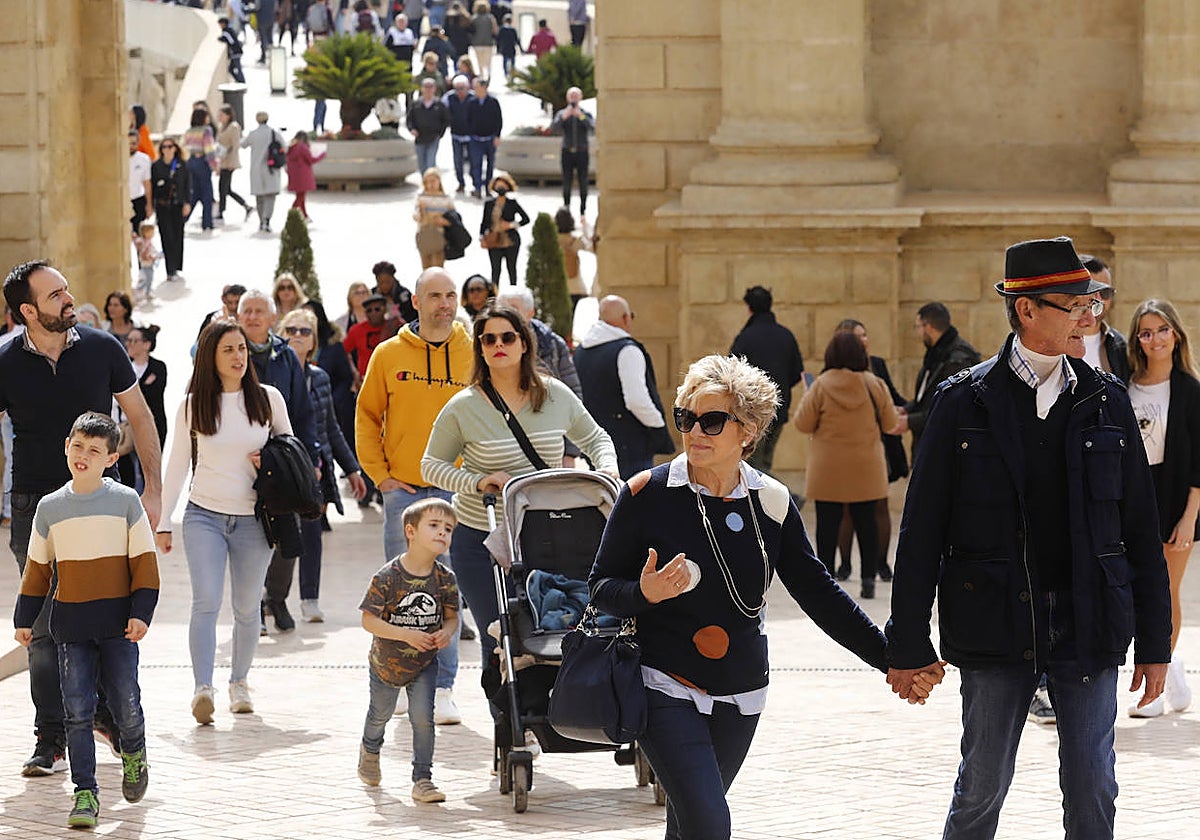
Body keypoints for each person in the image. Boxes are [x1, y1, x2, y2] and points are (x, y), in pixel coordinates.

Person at [886, 236, 1171, 840]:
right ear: (1026, 310)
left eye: (1092, 304)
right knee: (981, 786)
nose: (1089, 317)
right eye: (1076, 305)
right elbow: (921, 530)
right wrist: (907, 640)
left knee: (1093, 787)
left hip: (1089, 623)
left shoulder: (1107, 401)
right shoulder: (962, 402)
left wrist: (1155, 642)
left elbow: (1140, 532)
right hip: (993, 622)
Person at [587, 354, 904, 840]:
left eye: (712, 421)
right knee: (709, 824)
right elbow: (601, 588)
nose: (695, 431)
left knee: (691, 825)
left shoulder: (771, 502)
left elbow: (819, 593)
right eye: (686, 418)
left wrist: (890, 658)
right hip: (663, 683)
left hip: (742, 692)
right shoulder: (645, 494)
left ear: (748, 431)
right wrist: (644, 592)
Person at [0, 259, 163, 777]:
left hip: (104, 505)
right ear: (28, 311)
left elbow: (139, 416)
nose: (68, 299)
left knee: (107, 617)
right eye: (55, 295)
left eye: (66, 289)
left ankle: (106, 716)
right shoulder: (4, 361)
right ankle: (50, 737)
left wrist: (154, 489)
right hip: (35, 507)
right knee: (43, 627)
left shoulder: (102, 347)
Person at [421, 302, 618, 692]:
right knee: (499, 635)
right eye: (489, 339)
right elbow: (430, 466)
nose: (499, 345)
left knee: (546, 630)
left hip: (544, 536)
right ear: (480, 348)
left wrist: (607, 468)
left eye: (508, 337)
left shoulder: (554, 395)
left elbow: (596, 437)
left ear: (524, 344)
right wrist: (478, 481)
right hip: (481, 537)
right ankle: (508, 720)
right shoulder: (463, 407)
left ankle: (547, 708)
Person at [13, 411, 158, 829]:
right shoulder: (50, 508)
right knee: (77, 712)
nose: (83, 455)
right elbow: (37, 569)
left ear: (111, 458)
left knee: (125, 702)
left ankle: (134, 752)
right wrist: (25, 618)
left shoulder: (125, 501)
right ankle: (85, 793)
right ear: (66, 447)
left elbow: (144, 563)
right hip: (71, 627)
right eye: (77, 446)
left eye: (94, 450)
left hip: (118, 626)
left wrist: (141, 613)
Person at [156, 320, 294, 722]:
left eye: (242, 348)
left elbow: (291, 451)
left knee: (248, 608)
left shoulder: (268, 399)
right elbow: (176, 465)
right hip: (204, 516)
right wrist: (164, 520)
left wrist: (269, 459)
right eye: (228, 350)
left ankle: (239, 682)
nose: (238, 356)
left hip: (255, 520)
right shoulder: (192, 405)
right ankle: (203, 687)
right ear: (210, 358)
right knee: (206, 601)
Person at [357, 268, 473, 724]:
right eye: (435, 296)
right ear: (417, 302)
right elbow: (367, 416)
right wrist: (380, 476)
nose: (445, 304)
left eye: (451, 295)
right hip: (403, 491)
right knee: (401, 591)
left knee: (447, 591)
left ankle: (443, 688)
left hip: (455, 490)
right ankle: (404, 681)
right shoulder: (388, 354)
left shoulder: (473, 351)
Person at [356, 497, 458, 801]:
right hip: (386, 665)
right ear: (410, 531)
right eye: (434, 525)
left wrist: (446, 633)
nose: (442, 532)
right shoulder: (387, 577)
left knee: (423, 719)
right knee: (380, 715)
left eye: (448, 528)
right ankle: (370, 750)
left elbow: (452, 617)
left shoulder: (445, 579)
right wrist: (405, 635)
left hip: (425, 664)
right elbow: (368, 620)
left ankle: (423, 779)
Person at [1125, 298, 1197, 717]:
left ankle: (1153, 690)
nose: (1155, 340)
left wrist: (1190, 517)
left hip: (1175, 502)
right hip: (1134, 499)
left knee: (1165, 592)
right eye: (1146, 332)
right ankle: (1171, 670)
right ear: (1138, 340)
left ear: (1176, 334)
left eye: (1162, 330)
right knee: (1137, 592)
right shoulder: (1126, 385)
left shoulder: (1190, 389)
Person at [237, 290, 320, 632]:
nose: (253, 316)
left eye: (260, 311)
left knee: (288, 533)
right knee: (247, 537)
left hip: (281, 459)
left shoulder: (285, 356)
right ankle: (252, 605)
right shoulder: (228, 350)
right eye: (247, 311)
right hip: (240, 460)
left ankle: (277, 598)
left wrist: (310, 460)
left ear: (273, 319)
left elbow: (303, 411)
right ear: (238, 317)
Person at [793, 331, 898, 599]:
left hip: (828, 468)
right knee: (867, 522)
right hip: (866, 467)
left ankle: (826, 580)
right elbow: (890, 423)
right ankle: (868, 580)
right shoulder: (874, 384)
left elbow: (802, 424)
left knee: (827, 524)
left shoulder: (821, 385)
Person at [280, 308, 368, 621]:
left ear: (314, 341)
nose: (297, 336)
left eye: (304, 331)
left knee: (311, 533)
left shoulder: (319, 378)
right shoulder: (272, 376)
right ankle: (271, 599)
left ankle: (309, 599)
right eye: (291, 330)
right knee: (276, 538)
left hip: (314, 469)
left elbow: (331, 427)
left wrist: (352, 468)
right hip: (279, 469)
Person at [833, 318, 907, 583]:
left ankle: (881, 564)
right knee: (846, 509)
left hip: (877, 446)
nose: (864, 341)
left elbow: (894, 399)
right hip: (844, 449)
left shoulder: (877, 366)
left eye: (864, 335)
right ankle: (844, 565)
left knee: (879, 505)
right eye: (857, 336)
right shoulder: (832, 373)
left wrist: (913, 410)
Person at [575, 295, 674, 479]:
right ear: (626, 318)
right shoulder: (627, 350)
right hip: (630, 447)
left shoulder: (581, 351)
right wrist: (658, 425)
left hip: (595, 445)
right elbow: (637, 401)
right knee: (639, 496)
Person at [727, 285, 804, 474]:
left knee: (753, 466)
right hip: (779, 408)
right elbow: (797, 372)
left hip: (751, 411)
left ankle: (779, 492)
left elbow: (731, 373)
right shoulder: (786, 336)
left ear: (749, 308)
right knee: (763, 463)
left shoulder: (745, 338)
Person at [897, 301, 980, 456]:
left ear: (928, 327)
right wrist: (907, 409)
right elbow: (927, 396)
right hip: (930, 442)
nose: (918, 333)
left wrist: (910, 422)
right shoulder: (936, 354)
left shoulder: (957, 360)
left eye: (918, 327)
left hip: (946, 448)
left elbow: (948, 410)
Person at [117, 325, 168, 492]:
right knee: (126, 471)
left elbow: (153, 394)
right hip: (126, 426)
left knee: (148, 470)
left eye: (134, 340)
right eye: (128, 340)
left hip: (152, 425)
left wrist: (134, 391)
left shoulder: (158, 367)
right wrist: (142, 386)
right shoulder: (124, 367)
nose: (129, 344)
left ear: (147, 344)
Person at [1078, 254, 1130, 382]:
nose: (1098, 299)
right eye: (1091, 291)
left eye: (1105, 292)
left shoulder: (1119, 345)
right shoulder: (1055, 341)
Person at [150, 137, 191, 282]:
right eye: (164, 147)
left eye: (170, 146)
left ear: (175, 148)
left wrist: (187, 203)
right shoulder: (156, 166)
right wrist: (151, 205)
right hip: (163, 206)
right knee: (166, 236)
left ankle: (177, 266)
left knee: (178, 236)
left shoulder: (182, 165)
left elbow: (187, 185)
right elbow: (152, 187)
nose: (167, 149)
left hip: (177, 205)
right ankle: (170, 269)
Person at [479, 171, 528, 287]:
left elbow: (526, 219)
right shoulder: (489, 204)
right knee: (495, 270)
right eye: (498, 185)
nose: (500, 187)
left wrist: (511, 225)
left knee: (512, 268)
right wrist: (482, 237)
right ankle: (494, 294)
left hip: (510, 240)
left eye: (503, 185)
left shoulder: (512, 203)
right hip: (494, 240)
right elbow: (484, 222)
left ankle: (514, 291)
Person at [550, 86, 593, 217]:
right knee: (566, 181)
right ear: (567, 98)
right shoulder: (562, 113)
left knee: (583, 181)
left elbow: (591, 126)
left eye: (576, 96)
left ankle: (583, 210)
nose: (574, 98)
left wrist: (580, 116)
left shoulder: (585, 113)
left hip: (582, 151)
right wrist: (565, 117)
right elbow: (554, 128)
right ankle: (566, 208)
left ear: (581, 98)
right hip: (567, 151)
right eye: (571, 96)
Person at [241, 111, 285, 233]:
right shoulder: (274, 133)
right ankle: (267, 220)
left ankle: (261, 221)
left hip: (257, 170)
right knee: (270, 196)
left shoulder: (253, 134)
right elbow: (284, 147)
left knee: (259, 197)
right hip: (271, 169)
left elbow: (243, 144)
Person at [181, 107, 219, 233]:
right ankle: (207, 223)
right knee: (207, 193)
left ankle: (183, 219)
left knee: (194, 192)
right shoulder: (206, 131)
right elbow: (209, 149)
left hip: (191, 161)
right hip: (202, 162)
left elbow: (183, 146)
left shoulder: (189, 131)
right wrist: (215, 165)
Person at [215, 105, 253, 225]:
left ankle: (221, 211)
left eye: (222, 115)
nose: (219, 117)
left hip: (229, 162)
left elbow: (235, 146)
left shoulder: (233, 127)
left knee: (223, 188)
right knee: (226, 189)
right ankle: (245, 206)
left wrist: (232, 162)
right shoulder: (222, 127)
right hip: (223, 160)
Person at [466, 77, 502, 198]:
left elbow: (498, 120)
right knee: (476, 165)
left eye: (477, 87)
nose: (475, 90)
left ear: (484, 88)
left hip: (490, 139)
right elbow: (467, 119)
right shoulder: (471, 102)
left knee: (490, 164)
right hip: (475, 139)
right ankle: (477, 188)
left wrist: (497, 136)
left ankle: (488, 188)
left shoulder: (493, 102)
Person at [555, 207, 594, 315]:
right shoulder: (575, 241)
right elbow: (591, 247)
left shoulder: (552, 240)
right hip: (575, 286)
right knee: (571, 316)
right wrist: (585, 228)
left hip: (557, 285)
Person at [344, 293, 393, 379]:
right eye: (369, 310)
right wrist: (354, 371)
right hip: (365, 379)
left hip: (390, 377)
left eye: (377, 309)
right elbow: (343, 351)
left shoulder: (393, 327)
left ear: (384, 309)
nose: (373, 313)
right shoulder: (356, 330)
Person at [414, 169, 455, 269]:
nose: (430, 184)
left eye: (433, 181)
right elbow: (416, 216)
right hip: (424, 235)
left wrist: (445, 221)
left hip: (440, 237)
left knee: (438, 269)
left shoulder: (446, 198)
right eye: (427, 182)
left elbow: (455, 218)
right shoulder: (421, 197)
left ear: (439, 181)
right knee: (426, 269)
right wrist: (421, 211)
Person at [408, 79, 451, 176]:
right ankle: (425, 182)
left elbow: (445, 120)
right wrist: (412, 129)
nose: (428, 89)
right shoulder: (416, 104)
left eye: (430, 87)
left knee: (430, 163)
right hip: (420, 138)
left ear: (434, 89)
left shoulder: (439, 104)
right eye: (426, 87)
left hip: (433, 138)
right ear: (422, 89)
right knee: (421, 164)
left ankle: (431, 182)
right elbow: (410, 119)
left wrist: (440, 134)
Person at [285, 131, 325, 221]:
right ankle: (291, 215)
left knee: (300, 196)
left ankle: (305, 216)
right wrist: (322, 156)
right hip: (303, 175)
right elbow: (311, 159)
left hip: (294, 175)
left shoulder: (292, 147)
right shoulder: (303, 147)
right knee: (300, 197)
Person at [443, 75, 473, 194]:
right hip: (456, 134)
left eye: (462, 88)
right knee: (458, 161)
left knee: (473, 160)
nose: (460, 91)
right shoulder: (448, 98)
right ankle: (461, 183)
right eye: (457, 88)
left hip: (471, 135)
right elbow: (443, 113)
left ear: (467, 87)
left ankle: (475, 183)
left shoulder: (473, 97)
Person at [372, 260, 418, 325]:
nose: (384, 286)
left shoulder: (404, 294)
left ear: (393, 278)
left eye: (387, 282)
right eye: (381, 282)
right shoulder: (372, 294)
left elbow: (412, 317)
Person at [128, 131, 152, 235]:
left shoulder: (144, 159)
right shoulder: (117, 159)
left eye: (133, 143)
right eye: (128, 143)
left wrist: (149, 205)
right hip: (122, 200)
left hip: (138, 200)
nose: (131, 146)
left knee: (139, 236)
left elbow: (147, 183)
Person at [467, 0, 497, 80]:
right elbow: (495, 30)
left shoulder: (473, 18)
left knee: (479, 62)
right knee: (488, 62)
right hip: (488, 43)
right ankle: (488, 76)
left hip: (477, 43)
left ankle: (481, 77)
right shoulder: (491, 18)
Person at [132, 221, 160, 301]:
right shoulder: (142, 241)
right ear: (145, 233)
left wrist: (157, 255)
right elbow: (139, 246)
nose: (153, 234)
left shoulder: (149, 241)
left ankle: (147, 291)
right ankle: (140, 291)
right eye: (151, 232)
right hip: (145, 263)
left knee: (149, 278)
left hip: (149, 263)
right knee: (146, 278)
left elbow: (153, 250)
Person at [218, 16, 245, 82]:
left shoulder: (226, 31)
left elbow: (231, 41)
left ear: (223, 24)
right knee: (231, 69)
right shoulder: (228, 30)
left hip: (235, 52)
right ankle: (239, 80)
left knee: (238, 68)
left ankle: (242, 81)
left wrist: (222, 39)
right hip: (235, 52)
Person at [495, 14, 520, 80]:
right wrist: (521, 49)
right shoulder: (513, 29)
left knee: (505, 61)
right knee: (512, 61)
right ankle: (512, 74)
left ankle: (506, 74)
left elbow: (498, 40)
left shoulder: (501, 29)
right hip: (511, 47)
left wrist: (498, 49)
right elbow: (517, 40)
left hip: (504, 47)